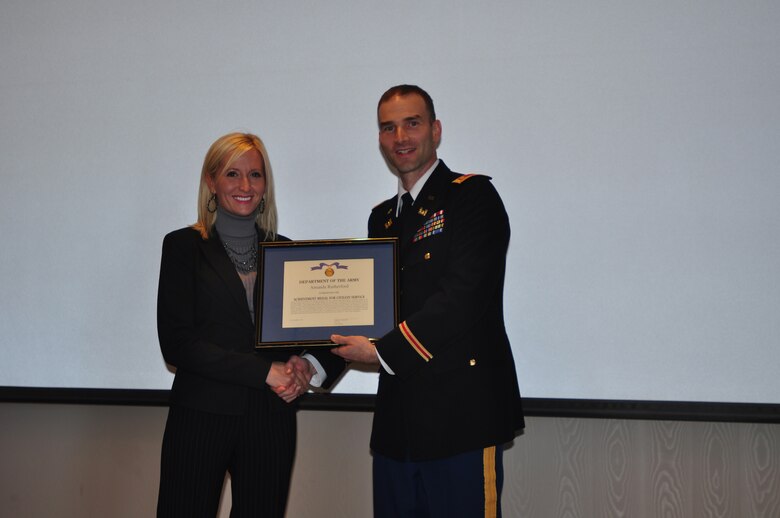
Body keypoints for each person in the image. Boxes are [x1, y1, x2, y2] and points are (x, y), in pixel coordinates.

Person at [331, 85, 524, 517]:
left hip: (463, 418)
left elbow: (462, 297)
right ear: (380, 139)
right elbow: (370, 308)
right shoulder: (381, 217)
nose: (400, 136)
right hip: (398, 424)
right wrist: (315, 359)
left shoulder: (472, 197)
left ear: (435, 130)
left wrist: (382, 352)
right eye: (388, 127)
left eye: (412, 123)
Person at [156, 132, 344, 517]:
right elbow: (177, 344)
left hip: (270, 421)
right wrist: (264, 372)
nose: (245, 186)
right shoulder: (182, 247)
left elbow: (327, 330)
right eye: (232, 174)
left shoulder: (289, 252)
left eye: (255, 175)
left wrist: (308, 364)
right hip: (200, 417)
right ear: (211, 181)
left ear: (265, 184)